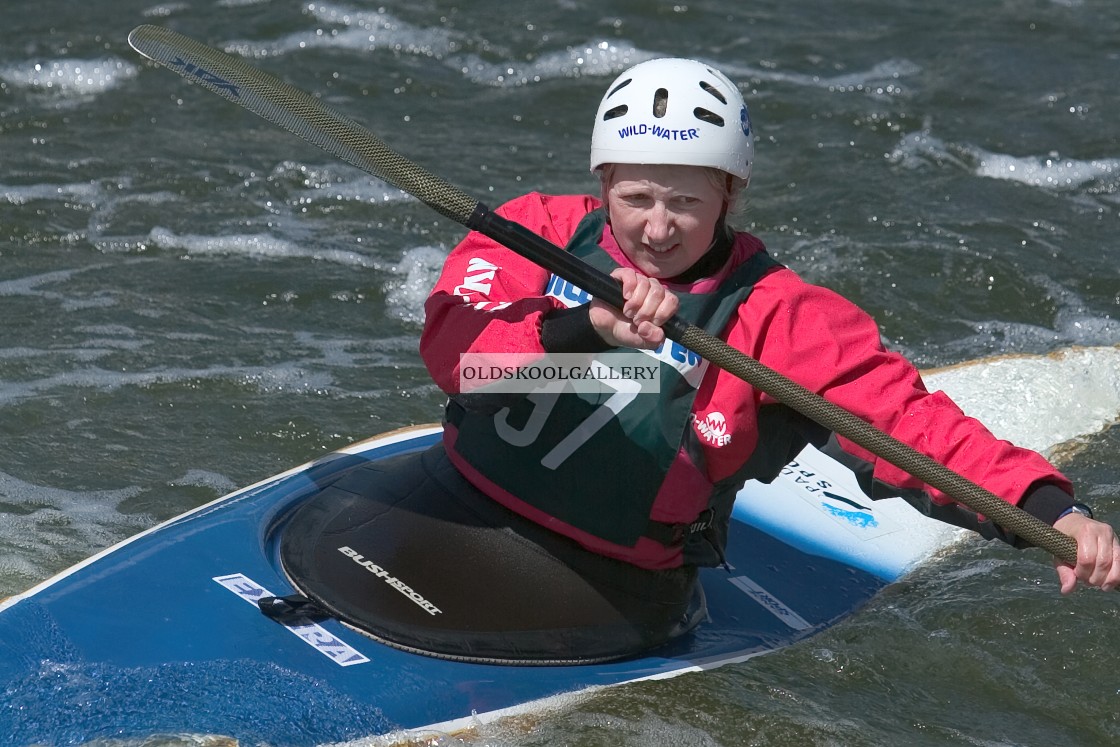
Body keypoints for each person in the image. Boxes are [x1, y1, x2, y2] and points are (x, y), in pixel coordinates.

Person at [412, 57, 1120, 661]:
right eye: (636, 196)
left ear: (731, 194)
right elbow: (454, 355)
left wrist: (1049, 511)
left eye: (685, 202)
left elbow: (908, 427)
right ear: (603, 178)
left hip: (612, 591)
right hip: (449, 507)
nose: (657, 228)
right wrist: (585, 328)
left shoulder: (781, 318)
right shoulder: (533, 230)